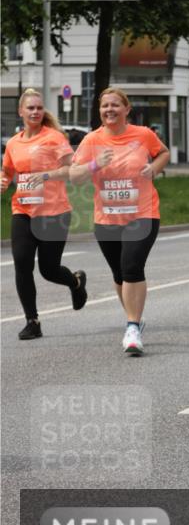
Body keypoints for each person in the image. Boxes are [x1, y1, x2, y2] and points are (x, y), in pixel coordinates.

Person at [70, 88, 169, 356]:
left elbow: (163, 153)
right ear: (99, 111)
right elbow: (75, 176)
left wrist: (154, 168)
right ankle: (133, 318)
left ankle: (133, 326)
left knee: (132, 267)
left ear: (127, 109)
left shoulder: (143, 135)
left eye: (115, 105)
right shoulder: (92, 140)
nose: (109, 110)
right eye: (105, 106)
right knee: (119, 274)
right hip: (107, 218)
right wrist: (94, 165)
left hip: (143, 214)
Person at [1, 88, 87, 340]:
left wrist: (47, 175)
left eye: (39, 107)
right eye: (30, 108)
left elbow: (71, 170)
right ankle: (32, 321)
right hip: (23, 210)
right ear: (21, 112)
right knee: (22, 263)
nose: (36, 111)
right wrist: (3, 181)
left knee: (48, 270)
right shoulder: (14, 143)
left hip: (54, 212)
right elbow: (7, 171)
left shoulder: (54, 138)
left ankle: (76, 282)